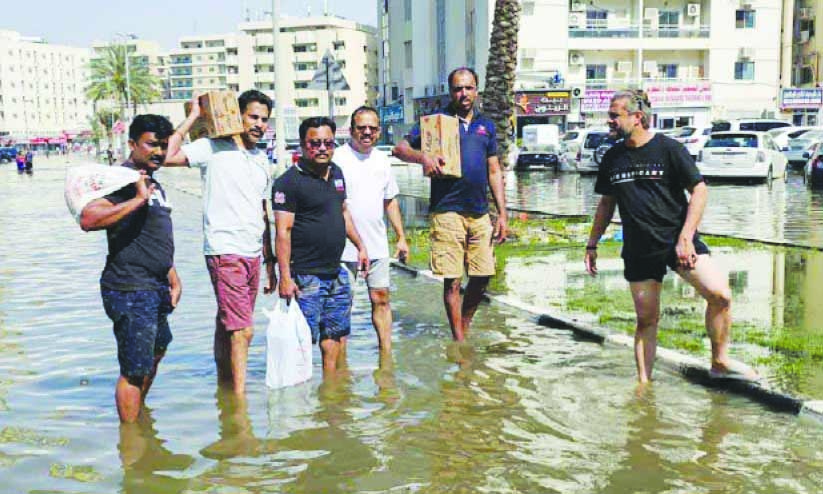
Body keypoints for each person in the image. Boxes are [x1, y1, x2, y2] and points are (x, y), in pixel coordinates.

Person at [584, 89, 757, 384]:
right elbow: (606, 204)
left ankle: (719, 361)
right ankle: (644, 386)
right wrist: (592, 243)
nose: (609, 121)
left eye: (615, 115)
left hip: (677, 241)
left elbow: (699, 190)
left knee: (720, 295)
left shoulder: (669, 149)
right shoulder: (612, 157)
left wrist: (686, 236)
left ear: (637, 117)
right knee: (647, 319)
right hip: (639, 249)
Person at [164, 90, 276, 395]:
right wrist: (193, 117)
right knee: (243, 330)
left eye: (264, 120)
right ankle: (238, 408)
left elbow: (262, 212)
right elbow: (167, 156)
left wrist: (270, 261)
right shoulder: (211, 148)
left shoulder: (261, 158)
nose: (259, 124)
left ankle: (223, 386)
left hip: (252, 251)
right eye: (253, 117)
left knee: (229, 322)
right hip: (224, 248)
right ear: (236, 115)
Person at [394, 67, 508, 342]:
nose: (463, 93)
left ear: (476, 90)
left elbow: (493, 170)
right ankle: (459, 341)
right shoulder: (436, 122)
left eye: (468, 88)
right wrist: (423, 158)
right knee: (452, 279)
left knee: (482, 276)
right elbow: (400, 148)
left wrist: (502, 214)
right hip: (447, 209)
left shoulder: (486, 126)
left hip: (479, 212)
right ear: (451, 91)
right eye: (458, 88)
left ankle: (463, 327)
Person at [79, 114, 180, 423]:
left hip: (155, 284)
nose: (159, 152)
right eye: (151, 145)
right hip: (129, 286)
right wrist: (137, 199)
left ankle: (138, 416)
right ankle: (132, 443)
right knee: (134, 369)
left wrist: (172, 275)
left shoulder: (151, 179)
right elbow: (89, 219)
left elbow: (153, 235)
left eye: (163, 146)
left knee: (158, 347)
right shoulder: (121, 180)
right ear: (133, 144)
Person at [272, 116, 369, 375]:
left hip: (335, 272)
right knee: (302, 341)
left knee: (334, 336)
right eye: (315, 143)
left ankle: (330, 394)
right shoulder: (288, 183)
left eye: (328, 142)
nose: (323, 148)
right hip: (305, 276)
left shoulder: (337, 173)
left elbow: (344, 213)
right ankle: (300, 403)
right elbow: (283, 231)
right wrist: (284, 277)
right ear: (303, 146)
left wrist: (360, 246)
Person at [334, 106, 409, 356]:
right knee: (342, 305)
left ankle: (386, 357)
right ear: (352, 129)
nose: (367, 132)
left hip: (376, 245)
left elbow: (390, 201)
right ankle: (340, 363)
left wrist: (401, 237)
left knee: (381, 299)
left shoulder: (381, 159)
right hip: (342, 248)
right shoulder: (336, 158)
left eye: (372, 128)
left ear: (378, 131)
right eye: (361, 127)